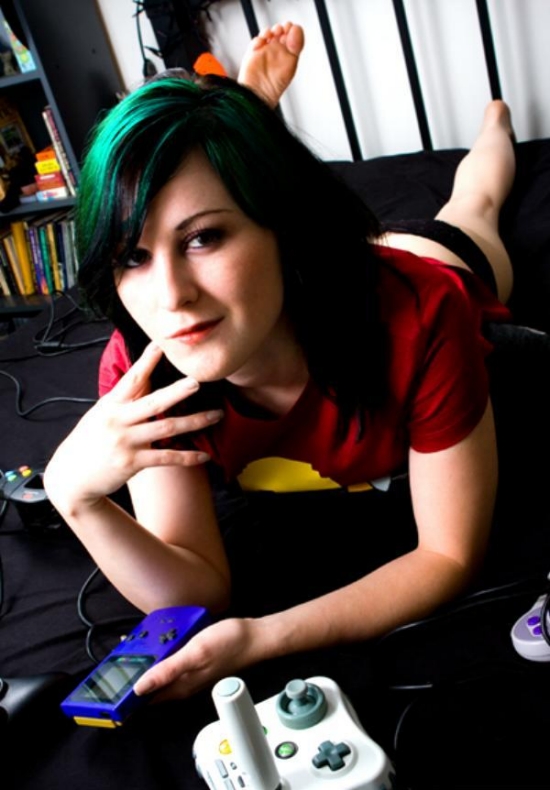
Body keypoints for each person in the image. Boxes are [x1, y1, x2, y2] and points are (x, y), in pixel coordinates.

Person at [44, 22, 515, 700]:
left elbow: (447, 554)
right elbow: (196, 588)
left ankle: (495, 125)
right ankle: (243, 132)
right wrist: (76, 497)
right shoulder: (142, 368)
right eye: (132, 256)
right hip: (298, 277)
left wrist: (263, 637)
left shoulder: (423, 314)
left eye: (203, 238)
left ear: (281, 230)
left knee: (475, 206)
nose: (170, 298)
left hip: (405, 270)